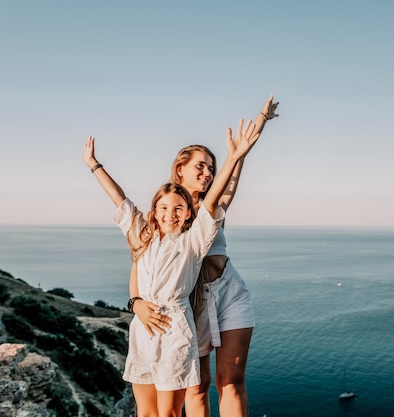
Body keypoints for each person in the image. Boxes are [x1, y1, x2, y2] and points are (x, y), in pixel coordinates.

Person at [82, 115, 262, 417]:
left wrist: (236, 156)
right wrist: (93, 165)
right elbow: (119, 200)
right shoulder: (145, 235)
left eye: (178, 209)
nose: (171, 213)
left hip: (181, 319)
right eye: (164, 208)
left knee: (173, 408)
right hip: (146, 324)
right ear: (154, 210)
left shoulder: (194, 239)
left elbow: (220, 194)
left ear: (189, 216)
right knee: (151, 409)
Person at [131, 96, 279, 417]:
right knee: (197, 386)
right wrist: (136, 302)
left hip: (229, 291)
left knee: (232, 380)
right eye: (200, 165)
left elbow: (232, 174)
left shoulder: (214, 208)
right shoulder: (167, 213)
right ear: (179, 169)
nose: (207, 172)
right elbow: (141, 261)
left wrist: (260, 122)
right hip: (191, 302)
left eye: (211, 168)